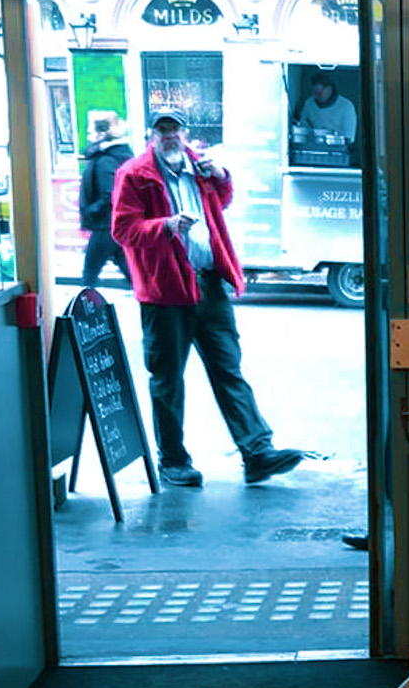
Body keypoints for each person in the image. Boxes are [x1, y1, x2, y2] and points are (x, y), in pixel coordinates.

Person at [110, 109, 303, 489]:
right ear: (152, 135)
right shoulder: (134, 174)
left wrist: (222, 177)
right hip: (165, 292)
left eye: (175, 129)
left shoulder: (200, 168)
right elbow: (123, 229)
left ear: (185, 133)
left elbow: (222, 201)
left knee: (229, 368)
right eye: (162, 129)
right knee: (168, 380)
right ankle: (173, 461)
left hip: (209, 285)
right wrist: (165, 226)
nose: (169, 135)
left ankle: (257, 452)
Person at [78, 112, 133, 290]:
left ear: (101, 133)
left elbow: (110, 194)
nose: (89, 136)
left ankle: (85, 304)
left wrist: (91, 211)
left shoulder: (105, 160)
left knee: (89, 274)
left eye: (91, 131)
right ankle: (151, 298)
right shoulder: (113, 156)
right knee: (130, 271)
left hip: (105, 226)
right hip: (114, 225)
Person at [296, 75, 357, 144]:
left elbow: (348, 138)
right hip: (312, 145)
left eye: (321, 92)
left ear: (330, 88)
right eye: (316, 92)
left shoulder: (346, 106)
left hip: (338, 147)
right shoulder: (309, 104)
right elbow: (303, 128)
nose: (319, 95)